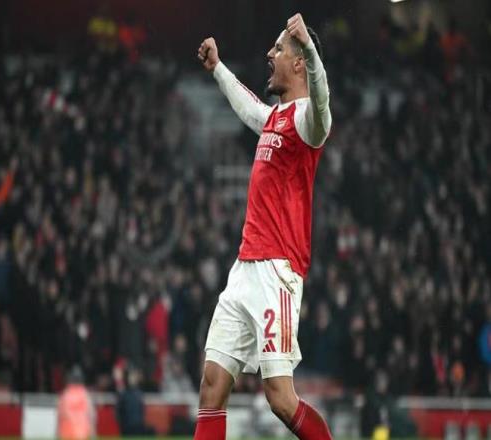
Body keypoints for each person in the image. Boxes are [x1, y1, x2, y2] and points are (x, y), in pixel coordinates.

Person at [195, 12, 332, 440]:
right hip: (244, 269)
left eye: (278, 49)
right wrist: (218, 69)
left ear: (299, 63)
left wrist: (309, 49)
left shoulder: (309, 122)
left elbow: (323, 105)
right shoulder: (276, 118)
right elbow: (248, 105)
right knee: (212, 385)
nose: (270, 54)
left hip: (277, 272)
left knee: (280, 398)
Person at [57, 366, 96, 440]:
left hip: (67, 433)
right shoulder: (84, 394)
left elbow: (60, 415)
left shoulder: (66, 394)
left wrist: (58, 433)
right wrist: (93, 432)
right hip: (82, 433)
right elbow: (91, 414)